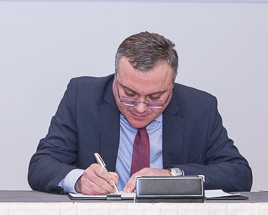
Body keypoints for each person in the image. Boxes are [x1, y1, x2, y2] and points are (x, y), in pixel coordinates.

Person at [28, 31, 251, 195]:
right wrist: (79, 181)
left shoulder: (199, 107)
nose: (141, 107)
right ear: (116, 78)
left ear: (172, 86)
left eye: (155, 97)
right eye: (129, 94)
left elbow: (238, 173)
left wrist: (173, 176)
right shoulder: (83, 97)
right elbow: (41, 164)